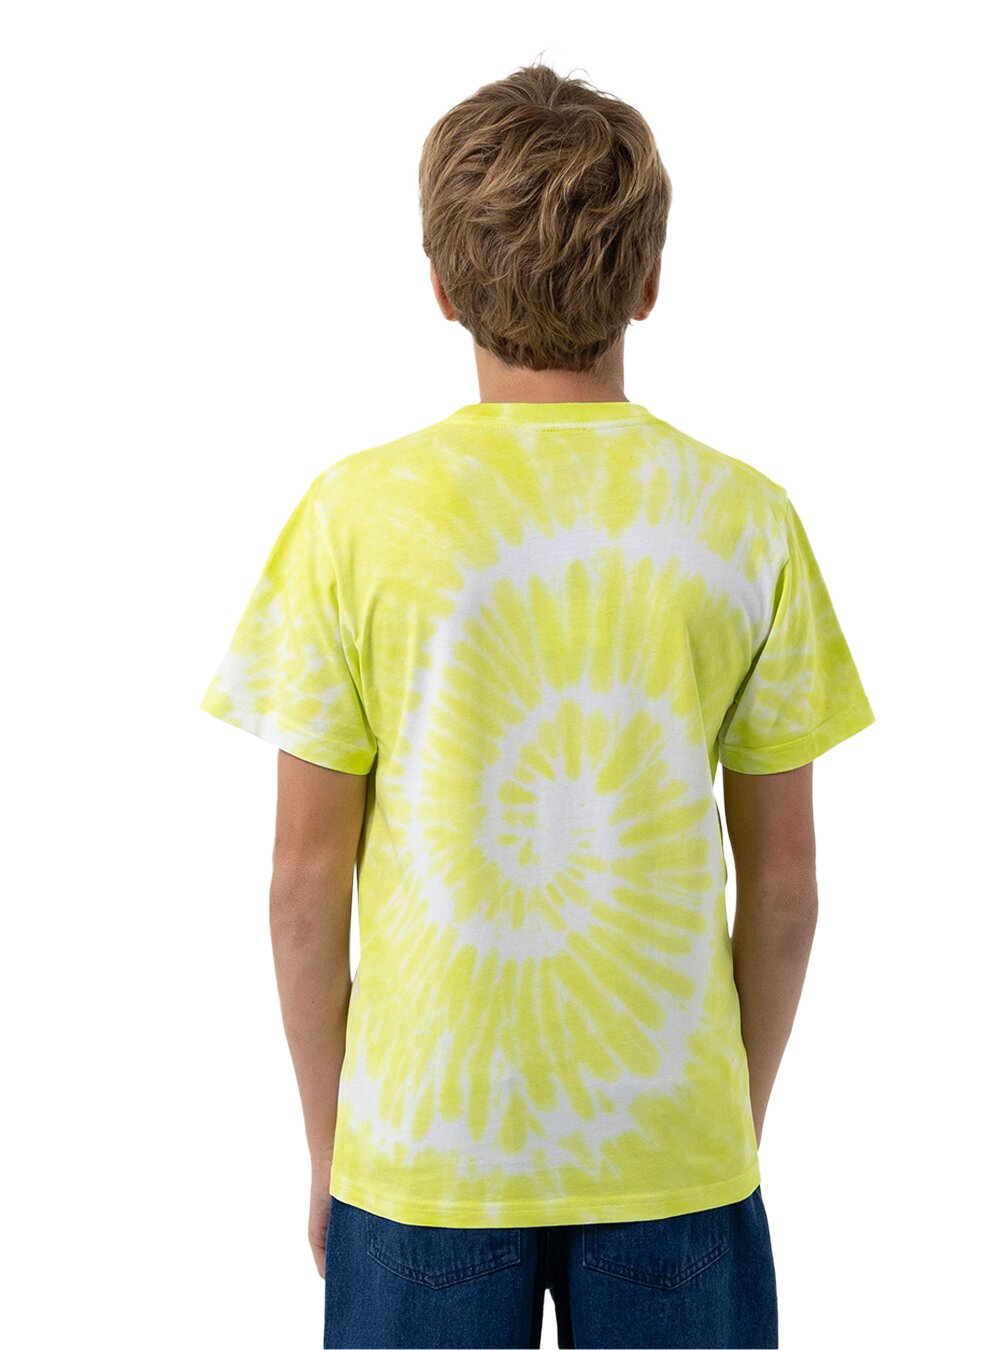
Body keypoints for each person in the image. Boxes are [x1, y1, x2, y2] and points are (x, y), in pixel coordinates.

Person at [199, 59, 875, 1350]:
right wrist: (724, 1128)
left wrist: (333, 1142)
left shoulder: (354, 517)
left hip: (423, 1149)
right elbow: (786, 891)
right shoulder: (746, 519)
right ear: (650, 279)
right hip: (671, 1139)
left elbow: (301, 886)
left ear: (442, 287)